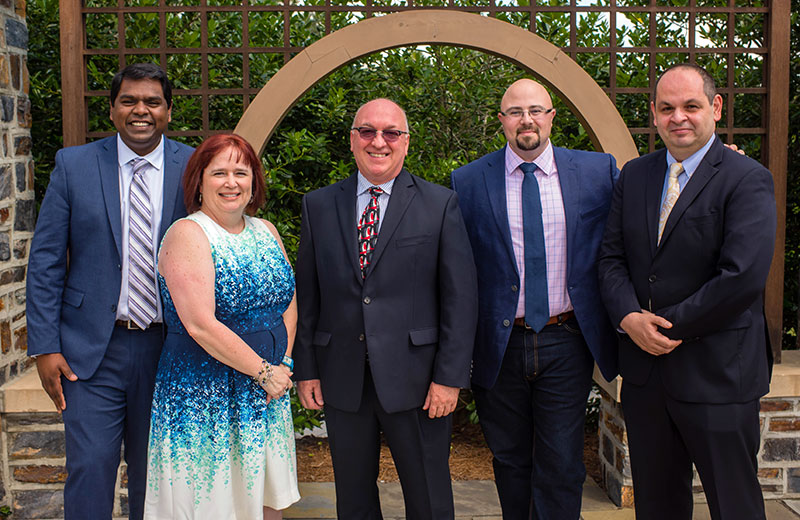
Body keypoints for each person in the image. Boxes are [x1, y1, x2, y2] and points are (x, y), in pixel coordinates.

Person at [597, 63, 775, 520]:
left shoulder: (746, 178)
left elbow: (741, 278)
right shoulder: (634, 176)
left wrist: (663, 326)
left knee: (734, 505)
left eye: (691, 106)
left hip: (718, 374)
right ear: (654, 116)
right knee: (657, 506)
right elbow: (611, 260)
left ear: (714, 108)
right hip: (647, 379)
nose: (679, 117)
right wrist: (628, 318)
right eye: (667, 108)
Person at [293, 98, 478, 520]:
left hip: (418, 381)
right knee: (353, 500)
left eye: (391, 132)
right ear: (353, 140)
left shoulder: (439, 204)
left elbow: (460, 299)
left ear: (406, 142)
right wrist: (307, 367)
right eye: (368, 131)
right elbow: (309, 293)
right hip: (343, 377)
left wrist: (449, 379)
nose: (379, 141)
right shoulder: (318, 206)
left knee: (428, 498)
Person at [26, 63, 194, 520]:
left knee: (156, 475)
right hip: (89, 353)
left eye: (152, 102)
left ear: (168, 111)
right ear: (114, 109)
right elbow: (44, 262)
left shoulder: (194, 167)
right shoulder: (74, 165)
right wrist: (44, 346)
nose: (141, 110)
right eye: (129, 101)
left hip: (170, 349)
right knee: (90, 467)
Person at [450, 78, 619, 520]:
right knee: (509, 461)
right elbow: (456, 267)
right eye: (516, 112)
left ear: (551, 117)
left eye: (536, 110)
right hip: (499, 345)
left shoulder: (597, 171)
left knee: (562, 464)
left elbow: (644, 208)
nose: (527, 120)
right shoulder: (468, 181)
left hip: (566, 339)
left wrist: (715, 164)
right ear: (502, 121)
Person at [143, 134, 300, 519]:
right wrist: (264, 371)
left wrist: (286, 364)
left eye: (241, 172)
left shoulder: (267, 230)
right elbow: (199, 324)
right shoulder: (188, 234)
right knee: (211, 503)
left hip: (265, 392)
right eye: (219, 173)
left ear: (253, 183)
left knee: (265, 498)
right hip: (204, 394)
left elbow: (288, 303)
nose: (231, 182)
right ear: (199, 181)